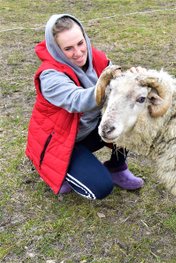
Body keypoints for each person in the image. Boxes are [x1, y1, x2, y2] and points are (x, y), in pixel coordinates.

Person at [25, 14, 144, 200]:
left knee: (128, 116)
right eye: (68, 48)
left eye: (80, 43)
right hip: (62, 142)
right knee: (100, 187)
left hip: (89, 130)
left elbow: (118, 84)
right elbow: (77, 100)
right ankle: (56, 170)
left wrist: (132, 78)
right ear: (56, 49)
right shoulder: (49, 76)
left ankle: (117, 167)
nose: (79, 52)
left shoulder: (96, 57)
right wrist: (106, 84)